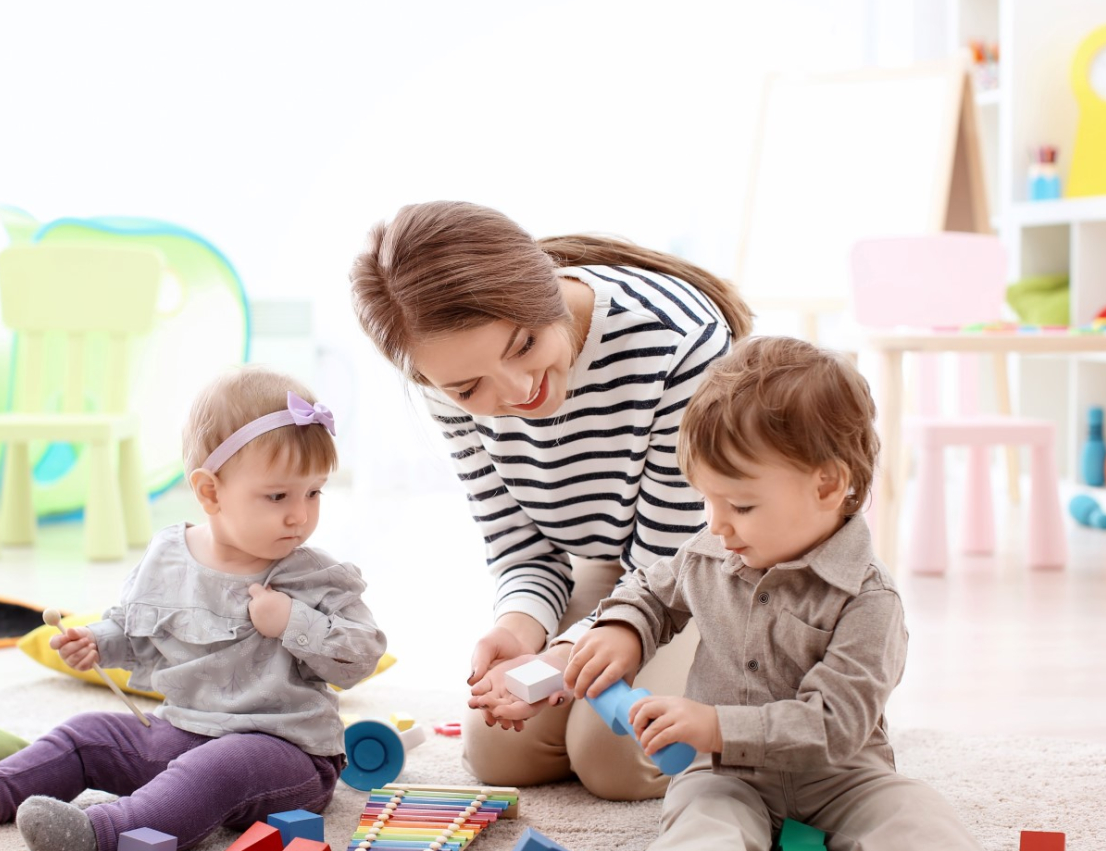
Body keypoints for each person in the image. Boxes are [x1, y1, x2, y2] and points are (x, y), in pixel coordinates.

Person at [0, 368, 387, 851]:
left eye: (313, 492)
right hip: (180, 732)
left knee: (219, 767)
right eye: (277, 496)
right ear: (210, 491)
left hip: (285, 754)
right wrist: (98, 642)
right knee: (85, 735)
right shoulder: (169, 556)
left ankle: (107, 833)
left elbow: (362, 656)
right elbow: (135, 628)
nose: (300, 515)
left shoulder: (312, 575)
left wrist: (293, 621)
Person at [349, 201, 753, 800]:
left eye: (524, 345)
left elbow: (669, 562)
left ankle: (758, 700)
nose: (518, 392)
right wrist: (520, 628)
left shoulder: (675, 339)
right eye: (469, 388)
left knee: (617, 757)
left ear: (546, 290)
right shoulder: (443, 382)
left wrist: (564, 656)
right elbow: (521, 548)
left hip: (709, 568)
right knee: (499, 749)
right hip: (616, 564)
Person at [563, 336, 982, 850]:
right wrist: (623, 627)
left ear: (827, 487)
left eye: (740, 505)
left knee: (918, 820)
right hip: (723, 775)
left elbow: (835, 726)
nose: (716, 525)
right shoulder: (709, 554)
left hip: (842, 779)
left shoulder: (870, 599)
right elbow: (650, 590)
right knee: (703, 826)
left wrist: (716, 725)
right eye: (707, 500)